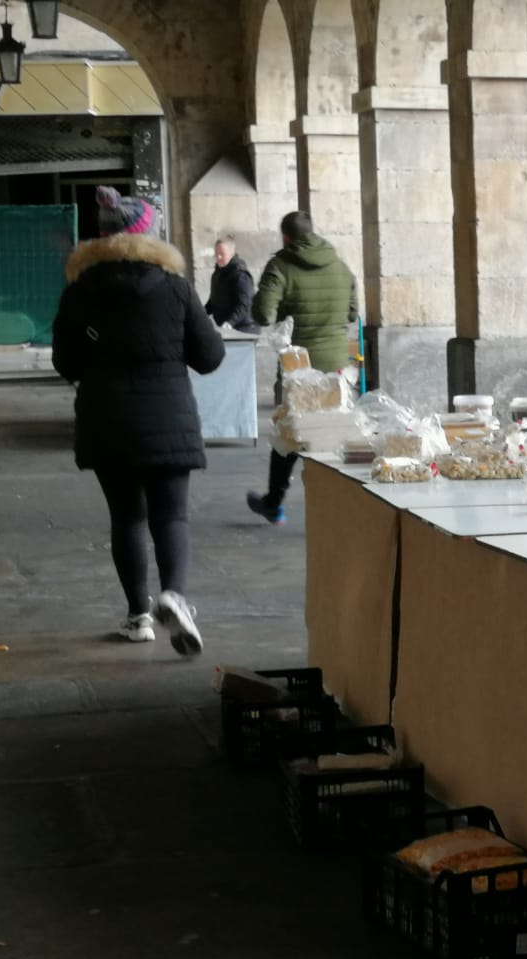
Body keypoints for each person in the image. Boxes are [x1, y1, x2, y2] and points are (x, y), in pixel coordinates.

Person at [52, 186, 224, 655]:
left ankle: (138, 616)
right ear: (150, 235)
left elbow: (65, 363)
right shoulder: (175, 288)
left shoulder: (80, 290)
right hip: (169, 415)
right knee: (171, 513)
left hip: (106, 419)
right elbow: (210, 357)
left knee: (126, 516)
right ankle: (176, 596)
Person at [244, 211, 357, 525]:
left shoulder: (280, 266)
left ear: (286, 237)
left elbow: (264, 314)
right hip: (336, 367)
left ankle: (274, 502)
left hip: (299, 368)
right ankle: (343, 506)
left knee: (289, 435)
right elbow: (351, 313)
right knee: (334, 433)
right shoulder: (340, 266)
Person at [204, 235, 259, 333]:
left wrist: (230, 322)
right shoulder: (216, 275)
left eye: (222, 254)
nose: (218, 257)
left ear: (231, 254)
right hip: (227, 327)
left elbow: (244, 304)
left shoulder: (240, 275)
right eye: (216, 254)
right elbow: (213, 301)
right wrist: (200, 314)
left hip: (244, 328)